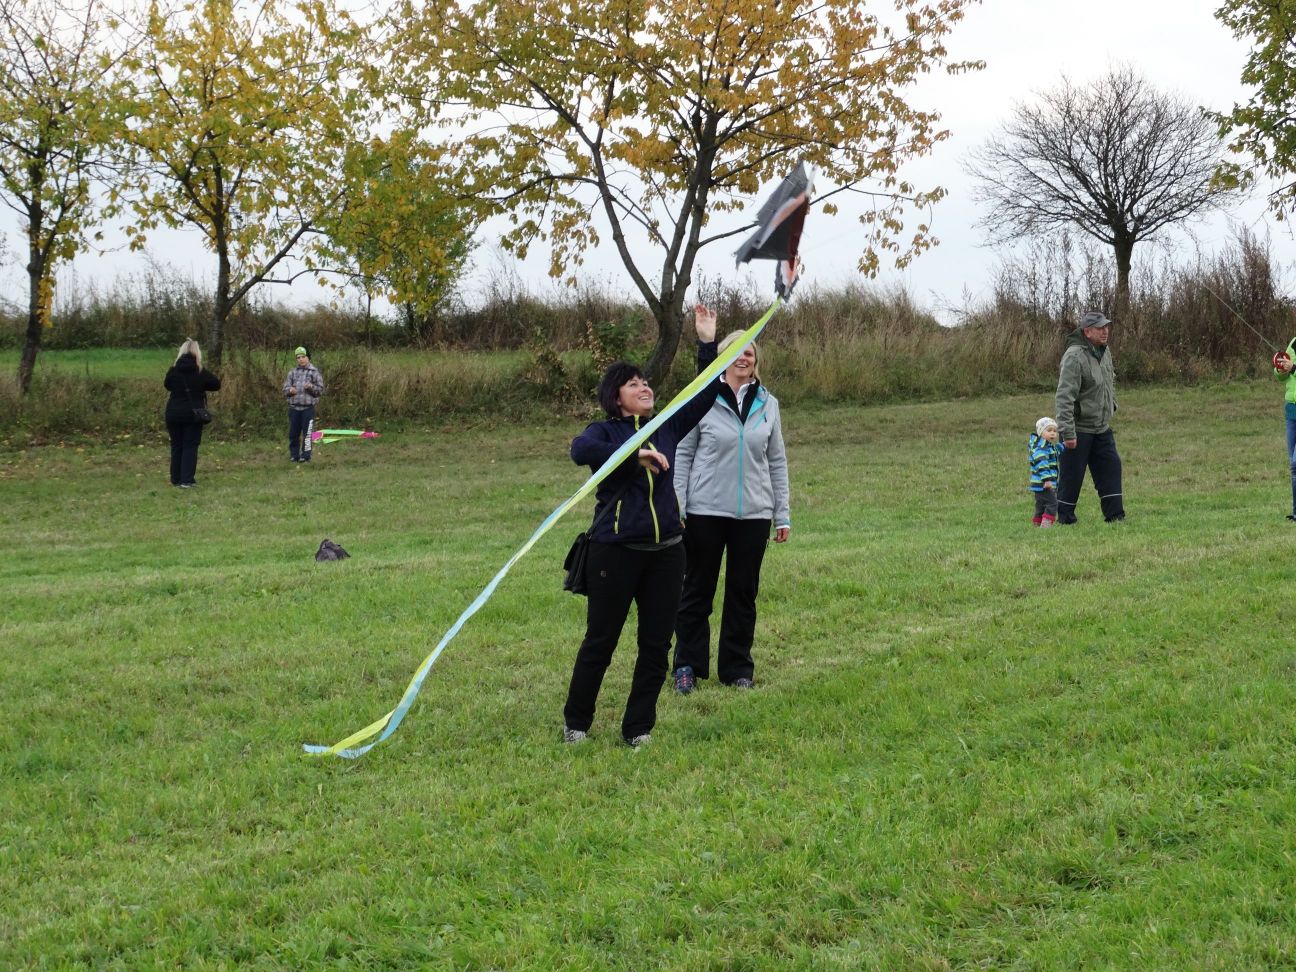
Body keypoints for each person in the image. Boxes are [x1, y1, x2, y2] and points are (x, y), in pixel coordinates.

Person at [562, 304, 721, 748]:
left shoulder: (666, 427)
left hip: (668, 554)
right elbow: (579, 450)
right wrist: (634, 456)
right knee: (601, 642)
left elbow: (704, 392)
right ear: (616, 398)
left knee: (656, 646)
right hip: (614, 553)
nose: (644, 387)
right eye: (633, 384)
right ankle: (576, 722)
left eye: (646, 382)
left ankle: (638, 729)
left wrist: (706, 342)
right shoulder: (604, 432)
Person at [670, 330, 790, 694]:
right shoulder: (703, 399)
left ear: (756, 361)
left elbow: (776, 460)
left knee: (743, 594)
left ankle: (737, 669)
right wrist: (677, 506)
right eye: (737, 351)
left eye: (749, 352)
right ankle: (687, 667)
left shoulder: (768, 403)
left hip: (754, 514)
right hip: (705, 511)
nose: (744, 357)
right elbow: (682, 454)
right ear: (722, 358)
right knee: (696, 591)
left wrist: (782, 513)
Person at [1055, 310, 1125, 523]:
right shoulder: (1074, 356)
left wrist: (1111, 405)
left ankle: (1115, 516)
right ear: (1087, 332)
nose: (1105, 331)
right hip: (1078, 429)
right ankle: (1065, 519)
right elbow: (1064, 397)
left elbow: (1109, 381)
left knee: (1111, 468)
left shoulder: (1105, 351)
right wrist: (1068, 433)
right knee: (1072, 475)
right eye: (1100, 328)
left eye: (1106, 327)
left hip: (1101, 427)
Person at [163, 338, 221, 488]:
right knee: (190, 445)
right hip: (192, 414)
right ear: (198, 353)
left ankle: (176, 479)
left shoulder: (173, 371)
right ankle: (187, 479)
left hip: (173, 413)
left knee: (176, 445)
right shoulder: (200, 371)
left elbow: (167, 385)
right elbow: (216, 384)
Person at [282, 346, 324, 462]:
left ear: (308, 357)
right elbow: (285, 389)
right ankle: (294, 455)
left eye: (303, 357)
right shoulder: (292, 372)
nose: (301, 359)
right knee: (293, 434)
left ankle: (306, 456)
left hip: (308, 409)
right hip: (294, 408)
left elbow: (320, 390)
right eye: (298, 357)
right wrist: (290, 390)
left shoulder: (314, 372)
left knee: (307, 434)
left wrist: (311, 387)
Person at [1274, 336, 1296, 520]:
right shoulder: (1293, 343)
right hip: (1291, 411)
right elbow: (1281, 377)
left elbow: (1293, 370)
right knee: (1293, 466)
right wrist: (1280, 368)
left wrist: (1293, 368)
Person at [1028, 416, 1063, 528]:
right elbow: (1042, 465)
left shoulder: (1047, 446)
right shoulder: (1041, 449)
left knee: (1041, 504)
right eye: (1049, 430)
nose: (1052, 433)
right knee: (1052, 503)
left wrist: (1061, 447)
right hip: (1044, 483)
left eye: (1055, 431)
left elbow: (1053, 454)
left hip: (1039, 484)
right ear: (1040, 432)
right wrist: (1047, 480)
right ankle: (1046, 526)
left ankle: (1037, 524)